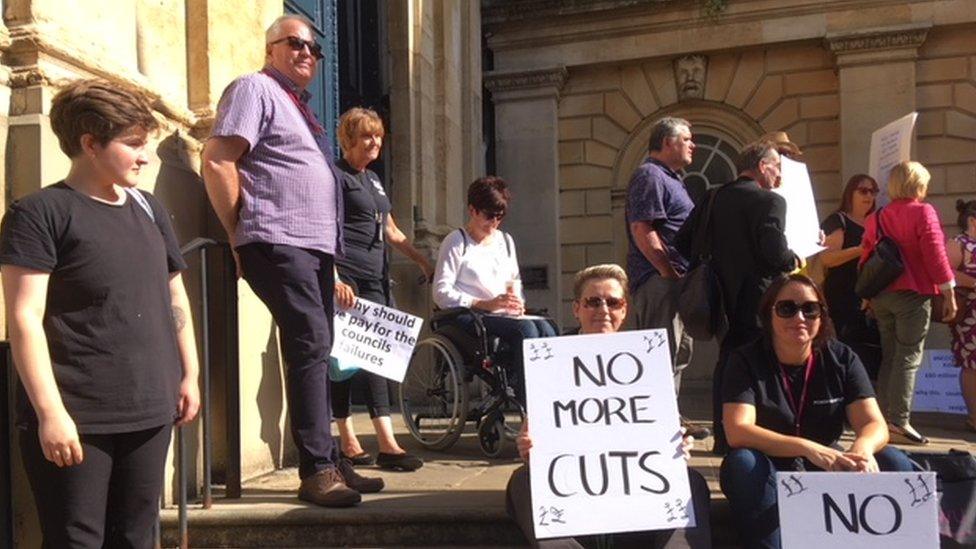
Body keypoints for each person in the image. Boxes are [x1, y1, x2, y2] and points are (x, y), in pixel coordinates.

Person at [0, 79, 200, 548]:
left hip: (151, 408)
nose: (145, 157)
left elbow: (175, 296)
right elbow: (24, 317)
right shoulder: (39, 214)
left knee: (136, 536)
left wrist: (188, 372)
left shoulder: (150, 209)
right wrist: (50, 413)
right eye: (132, 144)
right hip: (78, 415)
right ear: (90, 143)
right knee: (77, 540)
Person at [201, 14, 381, 507]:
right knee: (309, 344)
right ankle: (317, 470)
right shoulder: (254, 88)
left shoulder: (297, 107)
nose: (308, 53)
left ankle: (331, 460)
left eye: (315, 49)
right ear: (271, 48)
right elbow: (218, 158)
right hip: (277, 240)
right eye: (295, 44)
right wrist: (239, 236)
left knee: (318, 348)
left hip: (314, 248)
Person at [505, 264, 712, 549]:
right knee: (523, 482)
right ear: (577, 308)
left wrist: (677, 447)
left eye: (612, 302)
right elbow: (537, 428)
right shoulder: (550, 360)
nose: (603, 309)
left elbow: (661, 425)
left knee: (693, 483)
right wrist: (529, 447)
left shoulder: (645, 358)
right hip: (572, 488)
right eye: (593, 301)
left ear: (624, 309)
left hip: (637, 491)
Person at [720, 274, 914, 549]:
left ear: (822, 316)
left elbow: (874, 423)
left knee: (893, 459)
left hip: (826, 462)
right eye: (787, 308)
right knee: (742, 463)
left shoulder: (841, 357)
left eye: (810, 309)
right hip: (769, 464)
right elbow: (738, 431)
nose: (799, 317)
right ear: (769, 315)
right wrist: (806, 448)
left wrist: (863, 448)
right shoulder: (744, 360)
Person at [675, 140, 799, 452]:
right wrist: (792, 259)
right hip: (757, 299)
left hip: (716, 298)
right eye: (777, 168)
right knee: (757, 364)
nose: (780, 177)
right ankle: (755, 432)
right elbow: (773, 252)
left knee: (728, 361)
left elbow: (682, 241)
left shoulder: (712, 197)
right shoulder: (771, 201)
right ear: (762, 166)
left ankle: (723, 433)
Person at [330, 107, 431, 471]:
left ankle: (372, 442)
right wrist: (335, 279)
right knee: (346, 361)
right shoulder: (335, 177)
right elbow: (322, 230)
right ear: (348, 140)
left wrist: (422, 260)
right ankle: (359, 439)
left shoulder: (373, 180)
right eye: (367, 136)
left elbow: (391, 230)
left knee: (376, 357)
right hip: (348, 279)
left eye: (378, 136)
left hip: (376, 279)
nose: (375, 142)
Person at [432, 176, 558, 404]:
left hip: (503, 314)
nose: (494, 222)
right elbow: (441, 293)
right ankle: (527, 400)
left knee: (548, 328)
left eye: (500, 216)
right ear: (472, 210)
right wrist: (482, 303)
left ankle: (550, 394)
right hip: (470, 316)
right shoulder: (457, 241)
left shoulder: (505, 241)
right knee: (526, 331)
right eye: (489, 215)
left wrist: (516, 301)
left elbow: (514, 279)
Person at [860, 161, 956, 445]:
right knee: (908, 357)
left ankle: (881, 420)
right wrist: (948, 291)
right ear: (918, 184)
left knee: (890, 355)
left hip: (882, 295)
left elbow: (866, 256)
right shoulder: (923, 211)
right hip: (913, 294)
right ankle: (899, 422)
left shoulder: (877, 216)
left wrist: (867, 297)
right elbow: (935, 253)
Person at [625, 117, 708, 440]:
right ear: (668, 142)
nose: (693, 145)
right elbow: (642, 229)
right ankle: (656, 425)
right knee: (661, 354)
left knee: (678, 353)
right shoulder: (650, 175)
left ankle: (669, 416)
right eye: (687, 139)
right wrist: (667, 271)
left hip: (678, 281)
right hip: (661, 282)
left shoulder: (672, 178)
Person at [818, 174, 882, 379]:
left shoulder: (877, 222)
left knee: (872, 357)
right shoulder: (839, 220)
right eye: (863, 190)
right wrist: (860, 249)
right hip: (843, 297)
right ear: (850, 193)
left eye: (873, 191)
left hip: (872, 298)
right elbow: (827, 259)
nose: (869, 195)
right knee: (847, 353)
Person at [947, 199, 976, 432]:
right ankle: (974, 417)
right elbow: (947, 273)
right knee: (971, 365)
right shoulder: (959, 243)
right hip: (970, 314)